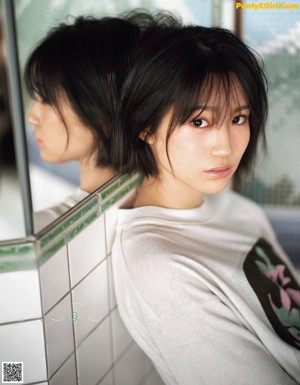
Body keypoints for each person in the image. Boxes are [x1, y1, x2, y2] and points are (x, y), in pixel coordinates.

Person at [112, 13, 300, 385]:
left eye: (239, 118)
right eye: (199, 122)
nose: (225, 147)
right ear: (144, 126)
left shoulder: (236, 209)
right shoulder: (161, 266)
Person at [24, 15, 140, 231]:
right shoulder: (147, 197)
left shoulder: (38, 232)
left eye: (46, 99)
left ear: (103, 113)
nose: (33, 116)